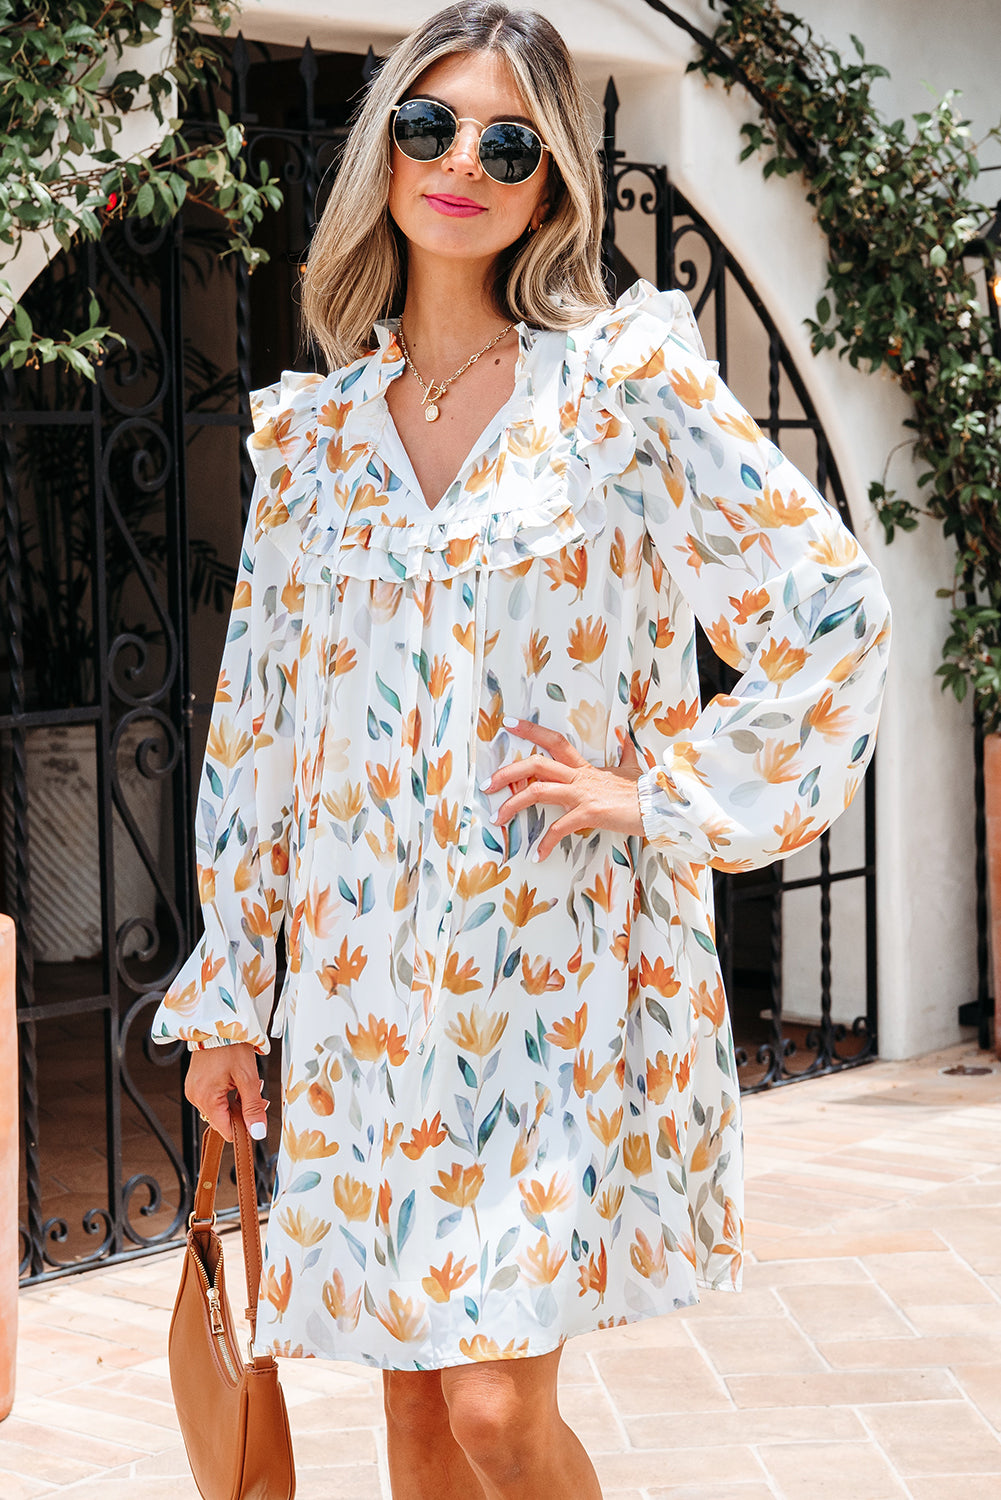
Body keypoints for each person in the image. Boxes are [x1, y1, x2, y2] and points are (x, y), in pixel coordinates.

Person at [151, 4, 890, 1496]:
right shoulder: (314, 437)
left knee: (494, 1406)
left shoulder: (623, 389)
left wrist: (659, 789)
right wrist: (230, 994)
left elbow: (830, 609)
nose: (462, 165)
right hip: (361, 978)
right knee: (416, 1414)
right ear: (384, 155)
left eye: (508, 143)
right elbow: (259, 726)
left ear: (548, 182)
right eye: (427, 128)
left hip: (551, 965)